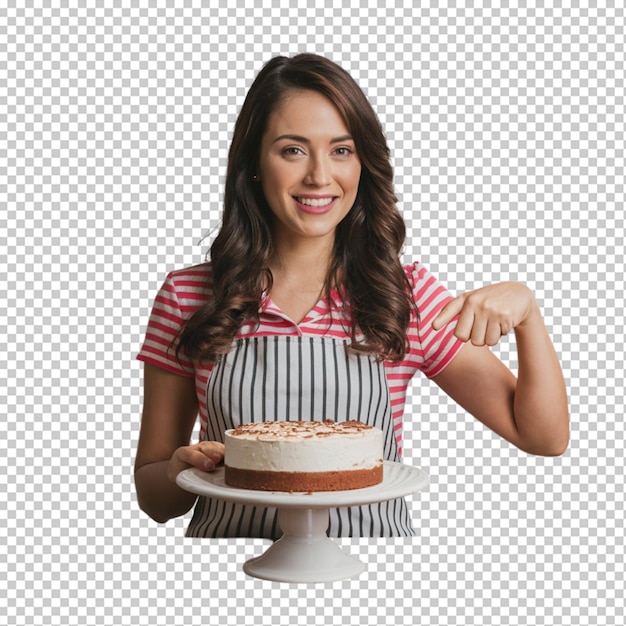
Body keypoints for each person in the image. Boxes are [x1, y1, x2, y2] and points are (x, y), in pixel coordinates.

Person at [134, 53, 569, 539]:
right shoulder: (188, 295)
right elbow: (155, 500)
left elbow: (543, 437)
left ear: (364, 162)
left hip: (371, 577)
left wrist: (530, 316)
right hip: (235, 575)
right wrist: (179, 468)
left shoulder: (404, 296)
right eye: (292, 150)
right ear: (255, 162)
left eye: (341, 150)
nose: (320, 176)